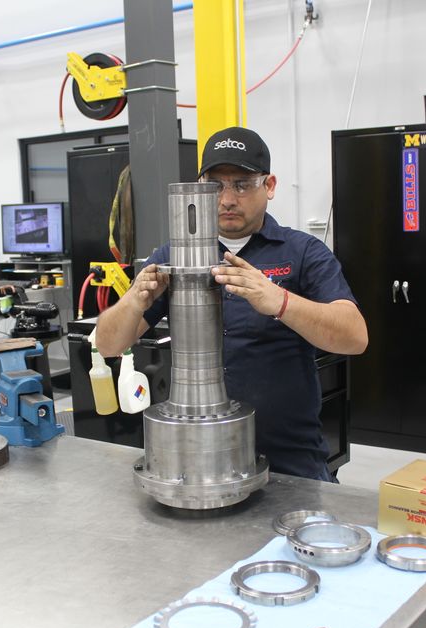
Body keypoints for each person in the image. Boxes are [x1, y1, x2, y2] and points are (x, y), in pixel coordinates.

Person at [96, 126, 368, 481]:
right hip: (200, 460)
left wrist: (280, 301)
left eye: (242, 185)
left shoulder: (303, 252)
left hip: (289, 459)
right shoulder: (172, 257)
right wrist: (134, 301)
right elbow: (108, 345)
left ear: (269, 186)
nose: (226, 199)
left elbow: (354, 337)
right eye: (215, 185)